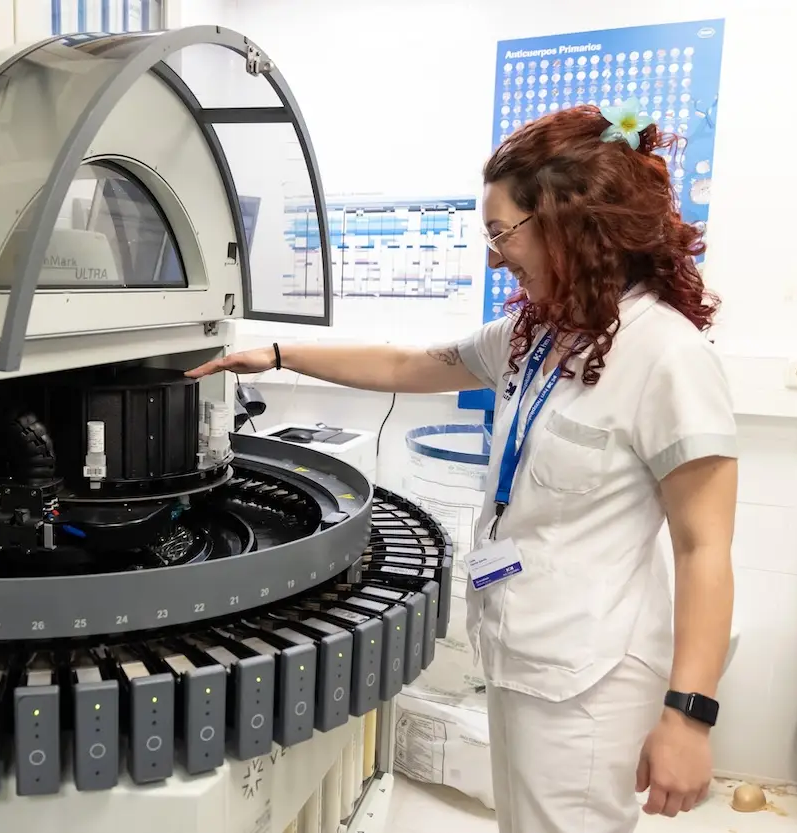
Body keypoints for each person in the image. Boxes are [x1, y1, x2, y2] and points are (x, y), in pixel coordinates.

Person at [187, 102, 737, 833]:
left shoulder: (667, 355)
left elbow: (705, 549)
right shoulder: (536, 336)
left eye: (501, 232)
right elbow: (409, 362)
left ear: (570, 224)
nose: (492, 255)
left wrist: (689, 718)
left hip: (590, 676)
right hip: (519, 650)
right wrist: (277, 353)